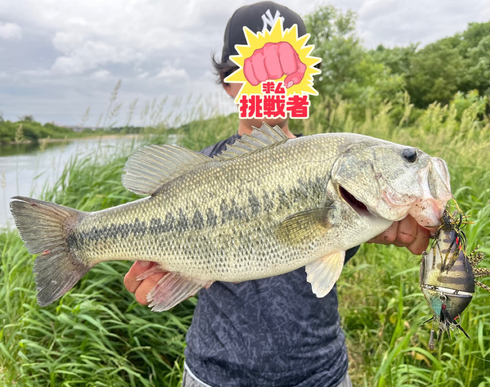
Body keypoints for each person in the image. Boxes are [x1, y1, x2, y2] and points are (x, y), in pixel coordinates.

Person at [124, 2, 430, 386]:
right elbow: (147, 283)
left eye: (288, 70)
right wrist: (157, 277)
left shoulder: (336, 165)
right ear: (228, 81)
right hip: (213, 375)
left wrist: (417, 224)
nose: (272, 84)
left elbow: (338, 244)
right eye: (256, 69)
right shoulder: (196, 172)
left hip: (320, 374)